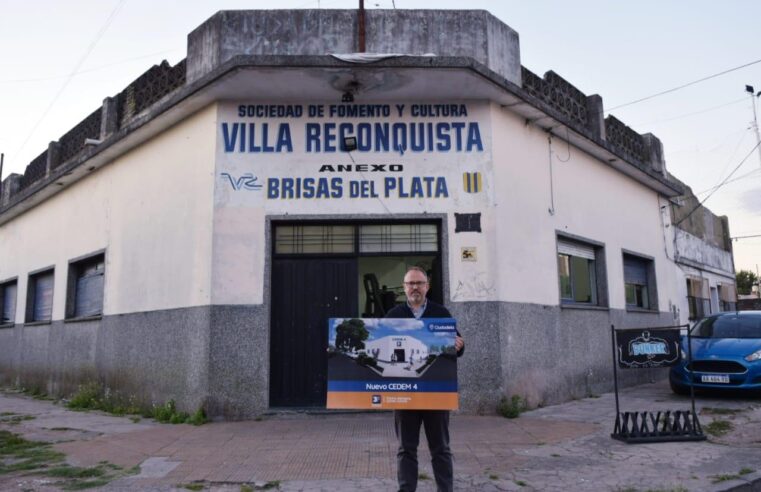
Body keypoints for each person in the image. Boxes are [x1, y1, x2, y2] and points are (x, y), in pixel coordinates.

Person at [385, 266, 465, 492]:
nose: (415, 288)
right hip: (404, 394)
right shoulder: (394, 315)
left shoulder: (441, 314)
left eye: (419, 283)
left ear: (427, 287)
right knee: (405, 449)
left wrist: (460, 345)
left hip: (435, 393)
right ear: (404, 288)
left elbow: (455, 348)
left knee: (440, 448)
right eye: (410, 284)